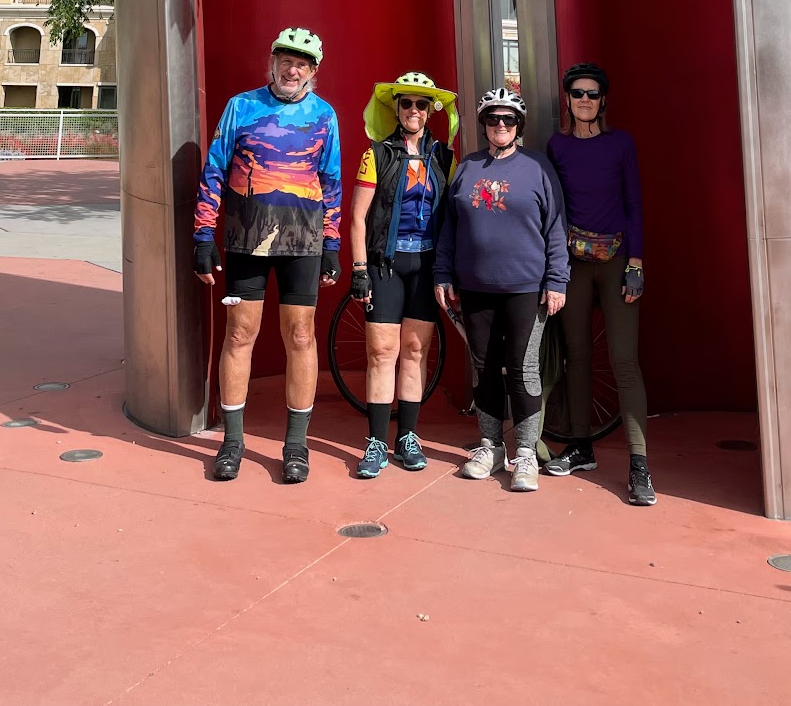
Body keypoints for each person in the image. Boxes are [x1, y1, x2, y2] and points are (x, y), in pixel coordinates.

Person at [192, 26, 342, 485]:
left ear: (312, 72)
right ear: (272, 62)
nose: (291, 69)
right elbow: (215, 168)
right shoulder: (242, 105)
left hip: (304, 243)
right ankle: (232, 442)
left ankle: (296, 444)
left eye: (301, 63)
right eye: (284, 59)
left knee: (300, 337)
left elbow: (331, 181)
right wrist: (202, 235)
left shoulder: (325, 116)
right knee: (240, 335)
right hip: (245, 241)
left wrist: (332, 244)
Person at [434, 88, 568, 493]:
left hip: (526, 287)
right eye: (493, 119)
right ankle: (490, 448)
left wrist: (557, 280)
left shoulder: (538, 167)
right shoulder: (468, 167)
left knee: (523, 369)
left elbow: (556, 228)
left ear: (518, 125)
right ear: (485, 125)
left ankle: (525, 454)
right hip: (475, 286)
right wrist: (443, 274)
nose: (501, 125)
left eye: (508, 119)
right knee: (483, 368)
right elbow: (449, 228)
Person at [545, 63, 654, 507]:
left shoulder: (620, 143)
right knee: (577, 357)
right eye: (577, 93)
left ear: (603, 99)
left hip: (616, 262)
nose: (585, 100)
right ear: (568, 100)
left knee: (624, 361)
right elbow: (552, 208)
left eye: (592, 94)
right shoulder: (557, 146)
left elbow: (634, 202)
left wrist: (636, 264)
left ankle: (640, 465)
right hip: (573, 263)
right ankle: (579, 447)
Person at [348, 71, 459, 478]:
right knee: (382, 353)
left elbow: (454, 218)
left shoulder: (445, 156)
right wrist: (359, 269)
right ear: (395, 108)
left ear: (432, 112)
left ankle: (407, 437)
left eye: (422, 104)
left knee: (414, 352)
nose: (414, 110)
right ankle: (376, 441)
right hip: (386, 266)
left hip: (427, 265)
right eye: (406, 103)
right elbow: (357, 219)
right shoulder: (376, 153)